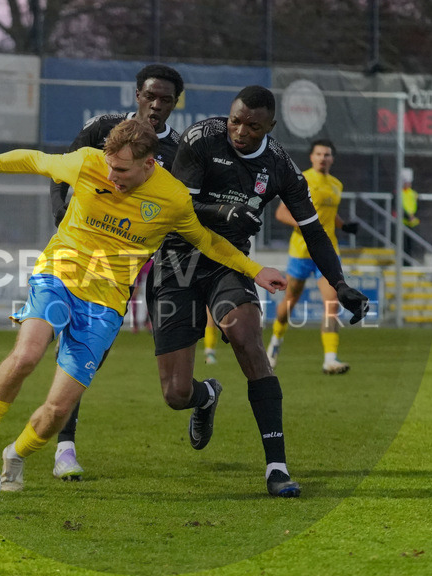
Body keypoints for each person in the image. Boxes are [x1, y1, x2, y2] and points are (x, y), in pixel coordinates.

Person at [0, 118, 287, 493]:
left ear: (149, 164)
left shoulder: (172, 198)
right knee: (26, 356)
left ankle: (16, 455)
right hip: (59, 274)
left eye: (121, 169)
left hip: (104, 305)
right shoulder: (88, 162)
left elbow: (206, 240)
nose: (112, 175)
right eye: (110, 165)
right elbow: (34, 160)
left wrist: (255, 269)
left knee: (58, 408)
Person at [147, 86, 369, 498]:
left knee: (247, 337)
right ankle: (206, 395)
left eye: (252, 125)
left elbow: (314, 231)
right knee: (176, 394)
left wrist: (340, 283)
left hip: (230, 264)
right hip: (176, 263)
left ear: (270, 126)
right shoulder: (202, 138)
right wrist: (221, 210)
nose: (240, 131)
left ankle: (277, 467)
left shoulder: (280, 165)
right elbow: (175, 208)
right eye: (235, 120)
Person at [48, 64, 184, 481]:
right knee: (62, 344)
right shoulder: (104, 127)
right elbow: (58, 169)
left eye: (166, 99)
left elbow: (181, 210)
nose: (156, 105)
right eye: (150, 96)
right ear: (137, 94)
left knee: (100, 357)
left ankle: (201, 394)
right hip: (79, 254)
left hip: (130, 267)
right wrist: (59, 214)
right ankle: (63, 448)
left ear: (176, 103)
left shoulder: (179, 152)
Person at [266, 139, 358, 374]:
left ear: (332, 159)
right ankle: (275, 342)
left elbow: (330, 213)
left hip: (327, 253)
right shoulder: (301, 179)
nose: (323, 158)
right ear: (311, 157)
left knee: (332, 304)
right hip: (302, 252)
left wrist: (344, 226)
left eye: (327, 154)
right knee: (290, 302)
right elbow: (281, 212)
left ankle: (330, 359)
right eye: (319, 154)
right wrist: (304, 226)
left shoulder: (337, 184)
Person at [400, 168, 420, 262]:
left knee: (411, 244)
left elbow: (416, 205)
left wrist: (413, 216)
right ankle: (404, 261)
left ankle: (409, 261)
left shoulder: (413, 193)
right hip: (403, 221)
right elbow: (401, 206)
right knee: (403, 243)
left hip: (412, 222)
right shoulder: (400, 193)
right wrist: (408, 216)